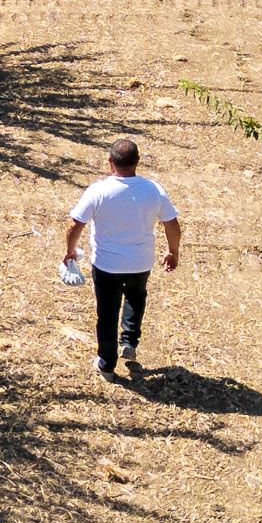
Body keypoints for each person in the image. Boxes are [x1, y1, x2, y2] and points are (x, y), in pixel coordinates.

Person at [64, 137, 182, 379]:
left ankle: (107, 364)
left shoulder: (98, 191)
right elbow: (171, 223)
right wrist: (173, 251)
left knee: (107, 312)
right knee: (136, 297)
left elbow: (75, 224)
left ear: (110, 162)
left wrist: (70, 251)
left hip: (106, 264)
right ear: (137, 162)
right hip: (140, 262)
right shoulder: (153, 190)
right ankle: (129, 340)